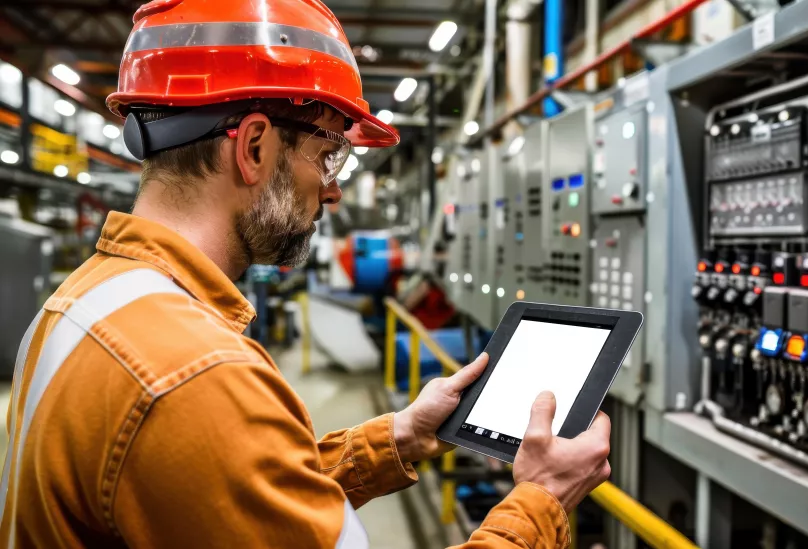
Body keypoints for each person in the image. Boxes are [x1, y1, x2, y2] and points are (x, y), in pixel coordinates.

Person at [0, 1, 612, 547]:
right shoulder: (197, 375)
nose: (333, 190)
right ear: (254, 148)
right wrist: (543, 500)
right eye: (327, 156)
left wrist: (399, 437)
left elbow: (235, 495)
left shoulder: (83, 300)